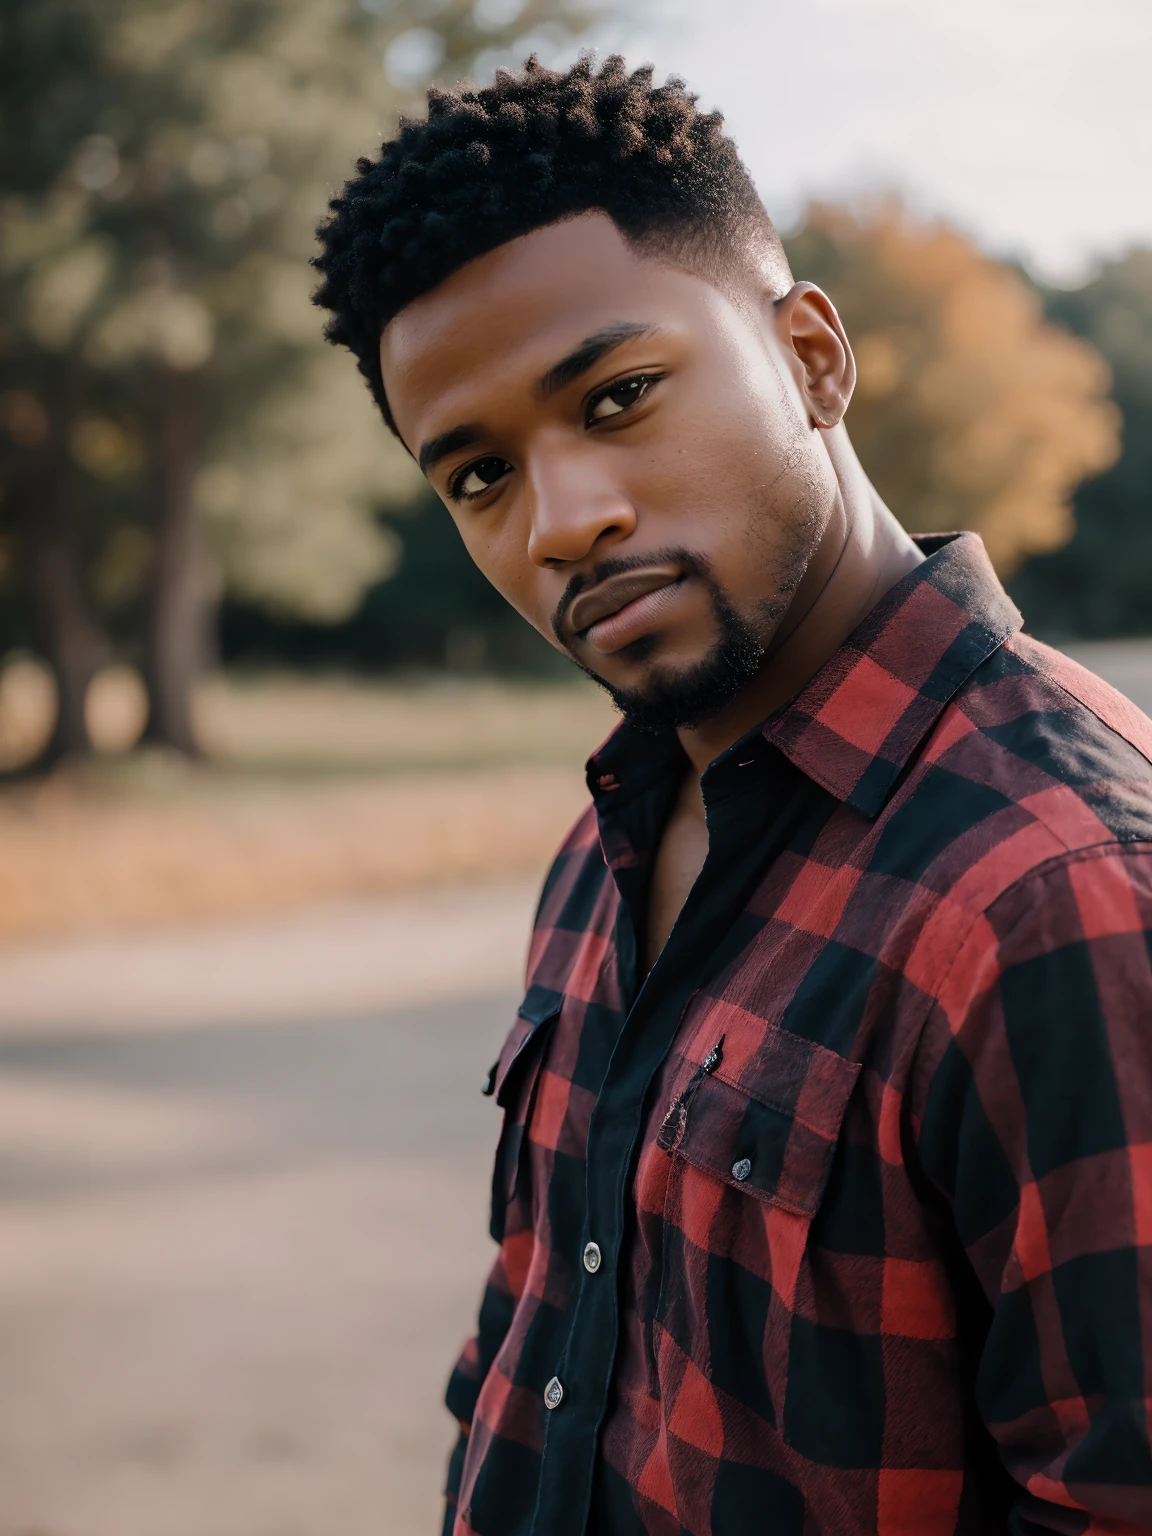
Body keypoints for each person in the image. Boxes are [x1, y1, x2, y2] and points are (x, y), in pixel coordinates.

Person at [314, 54, 1152, 1536]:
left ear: (816, 356)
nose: (566, 519)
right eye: (479, 476)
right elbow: (529, 1344)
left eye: (621, 396)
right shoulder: (612, 830)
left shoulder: (1058, 882)